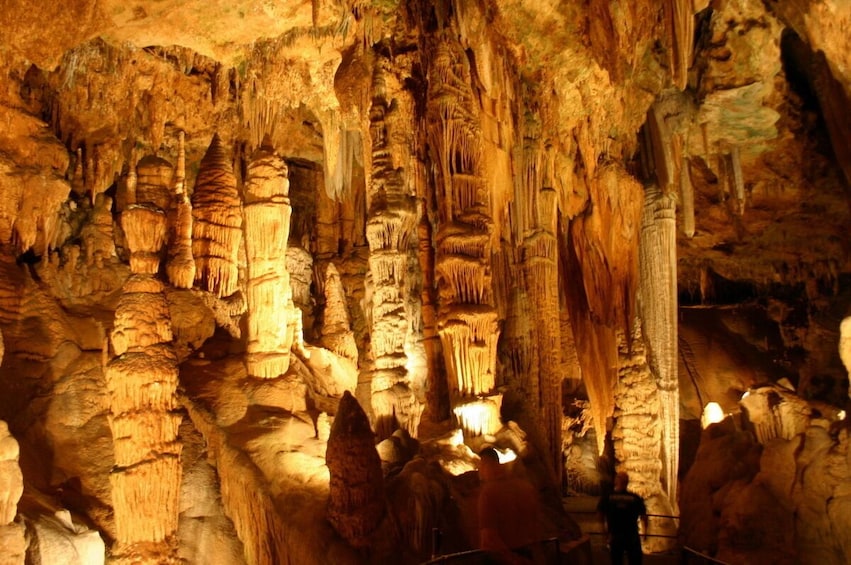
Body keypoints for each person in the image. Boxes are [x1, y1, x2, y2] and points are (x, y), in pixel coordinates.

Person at [477, 447, 544, 564]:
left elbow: (489, 537)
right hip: (527, 553)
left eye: (480, 467)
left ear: (486, 465)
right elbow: (537, 526)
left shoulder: (489, 492)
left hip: (501, 559)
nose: (479, 472)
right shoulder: (526, 488)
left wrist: (512, 560)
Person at [597, 471, 648, 565]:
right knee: (635, 560)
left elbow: (600, 515)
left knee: (617, 560)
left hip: (615, 535)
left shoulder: (608, 497)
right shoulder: (635, 498)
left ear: (616, 481)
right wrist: (645, 534)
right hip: (631, 535)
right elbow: (644, 517)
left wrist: (604, 534)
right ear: (627, 482)